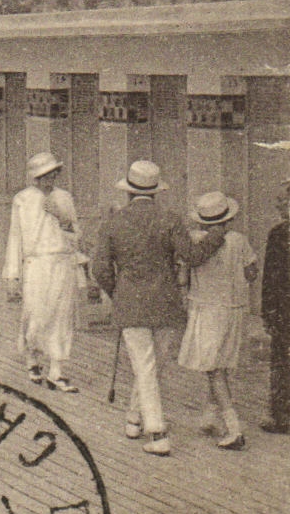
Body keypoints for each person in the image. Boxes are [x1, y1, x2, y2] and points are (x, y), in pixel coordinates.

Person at [92, 161, 227, 456]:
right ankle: (155, 430)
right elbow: (192, 256)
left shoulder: (113, 222)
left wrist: (118, 292)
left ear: (128, 193)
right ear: (156, 192)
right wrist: (218, 233)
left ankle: (138, 419)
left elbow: (100, 268)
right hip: (166, 303)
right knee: (154, 366)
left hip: (130, 304)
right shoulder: (171, 219)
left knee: (145, 366)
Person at [176, 193, 257, 451]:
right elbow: (252, 271)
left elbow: (181, 279)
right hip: (234, 309)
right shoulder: (239, 240)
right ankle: (210, 415)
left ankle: (234, 428)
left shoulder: (194, 241)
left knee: (213, 368)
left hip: (208, 309)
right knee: (220, 363)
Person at [2, 152, 84, 392]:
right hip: (36, 264)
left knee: (61, 315)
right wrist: (12, 274)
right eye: (42, 176)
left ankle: (56, 371)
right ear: (34, 178)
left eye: (51, 175)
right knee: (36, 315)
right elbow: (15, 237)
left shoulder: (64, 197)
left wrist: (62, 218)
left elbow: (76, 235)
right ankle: (32, 358)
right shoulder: (23, 199)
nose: (47, 180)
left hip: (62, 263)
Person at [264, 179, 290, 435]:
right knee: (282, 361)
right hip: (284, 312)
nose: (278, 205)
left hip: (284, 310)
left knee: (283, 362)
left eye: (282, 201)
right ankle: (282, 416)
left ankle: (282, 417)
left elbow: (270, 279)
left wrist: (268, 311)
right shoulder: (278, 233)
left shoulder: (280, 234)